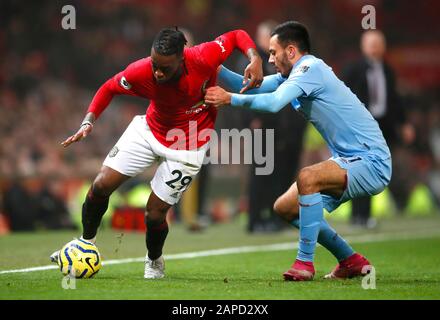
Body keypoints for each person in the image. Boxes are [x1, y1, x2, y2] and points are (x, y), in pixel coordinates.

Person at [50, 27, 263, 279]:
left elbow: (237, 35)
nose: (158, 72)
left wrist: (255, 58)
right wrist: (88, 121)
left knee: (154, 213)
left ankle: (154, 261)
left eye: (165, 68)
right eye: (155, 65)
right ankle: (85, 244)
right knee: (100, 185)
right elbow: (109, 87)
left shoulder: (203, 56)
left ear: (182, 58)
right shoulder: (141, 71)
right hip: (149, 130)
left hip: (188, 143)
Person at [205, 21, 391, 281]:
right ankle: (350, 260)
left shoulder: (309, 68)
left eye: (273, 52)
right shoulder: (292, 74)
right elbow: (246, 85)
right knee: (285, 207)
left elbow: (272, 103)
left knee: (307, 177)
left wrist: (229, 99)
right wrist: (210, 63)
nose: (269, 59)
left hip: (371, 160)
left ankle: (304, 263)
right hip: (348, 159)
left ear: (291, 51)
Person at [233, 20, 307, 233]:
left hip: (276, 126)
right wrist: (251, 121)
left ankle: (270, 217)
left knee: (275, 173)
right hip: (260, 126)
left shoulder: (276, 61)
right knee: (260, 173)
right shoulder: (250, 62)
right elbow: (243, 91)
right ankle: (255, 220)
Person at [341, 30, 415, 227]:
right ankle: (359, 215)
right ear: (363, 46)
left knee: (379, 170)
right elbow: (341, 97)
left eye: (378, 43)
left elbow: (395, 100)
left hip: (384, 127)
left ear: (383, 47)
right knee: (361, 169)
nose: (374, 47)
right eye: (370, 43)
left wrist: (404, 123)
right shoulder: (353, 69)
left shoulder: (388, 70)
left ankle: (368, 214)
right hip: (361, 127)